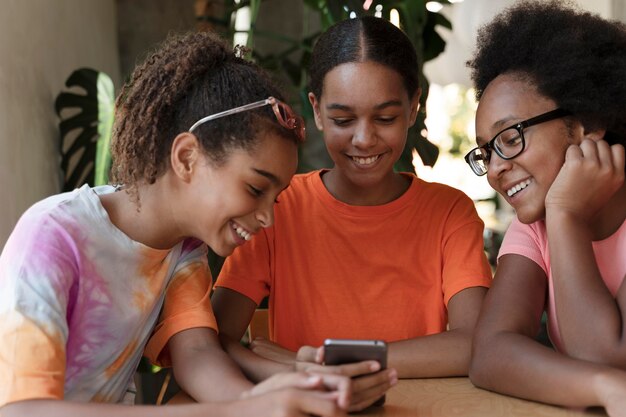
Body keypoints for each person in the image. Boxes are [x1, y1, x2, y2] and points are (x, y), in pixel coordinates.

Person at [0, 31, 353, 417]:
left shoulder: (185, 249)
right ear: (186, 157)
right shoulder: (53, 236)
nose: (268, 217)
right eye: (255, 188)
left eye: (276, 197)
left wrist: (268, 398)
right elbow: (23, 410)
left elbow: (198, 353)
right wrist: (243, 410)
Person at [208, 16, 492, 412]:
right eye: (343, 120)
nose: (363, 138)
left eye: (386, 118)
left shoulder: (449, 213)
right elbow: (214, 338)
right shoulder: (278, 209)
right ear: (317, 111)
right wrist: (282, 370)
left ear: (414, 107)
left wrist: (323, 362)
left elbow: (477, 342)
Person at [463, 1, 626, 415]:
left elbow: (604, 354)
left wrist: (567, 215)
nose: (496, 168)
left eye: (511, 137)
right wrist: (606, 387)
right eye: (486, 152)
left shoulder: (556, 215)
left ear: (587, 122)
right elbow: (490, 354)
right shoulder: (534, 226)